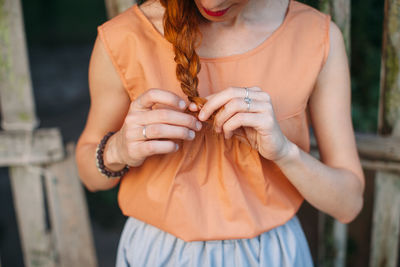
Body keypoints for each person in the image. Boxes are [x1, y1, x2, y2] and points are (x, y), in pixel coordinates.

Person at [75, 0, 365, 265]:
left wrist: (285, 152)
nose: (213, 2)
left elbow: (348, 203)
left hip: (272, 255)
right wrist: (118, 150)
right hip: (157, 255)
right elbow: (89, 175)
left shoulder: (315, 36)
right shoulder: (124, 37)